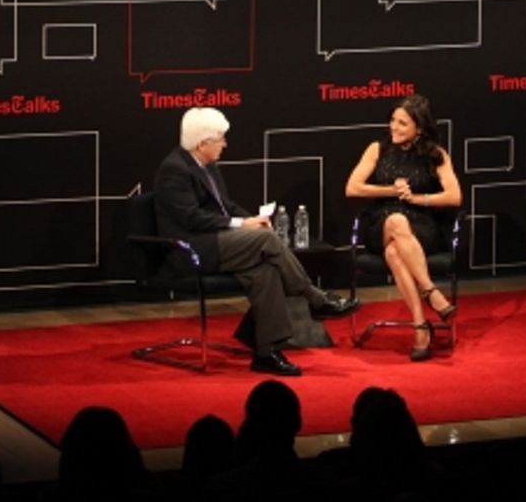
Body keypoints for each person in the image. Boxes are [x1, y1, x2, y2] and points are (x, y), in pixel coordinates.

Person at [153, 106, 359, 377]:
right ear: (203, 143)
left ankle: (267, 352)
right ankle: (314, 298)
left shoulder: (207, 166)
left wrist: (249, 219)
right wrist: (243, 226)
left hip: (218, 241)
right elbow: (191, 218)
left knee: (265, 271)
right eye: (221, 139)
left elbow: (225, 206)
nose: (225, 144)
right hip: (191, 248)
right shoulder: (174, 170)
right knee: (264, 239)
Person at [344, 94, 463, 360]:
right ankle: (431, 292)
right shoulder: (378, 149)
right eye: (393, 121)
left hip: (421, 226)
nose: (394, 127)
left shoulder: (436, 155)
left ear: (419, 128)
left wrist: (418, 198)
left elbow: (455, 196)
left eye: (402, 123)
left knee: (394, 252)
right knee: (395, 222)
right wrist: (391, 190)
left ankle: (421, 326)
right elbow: (352, 188)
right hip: (380, 223)